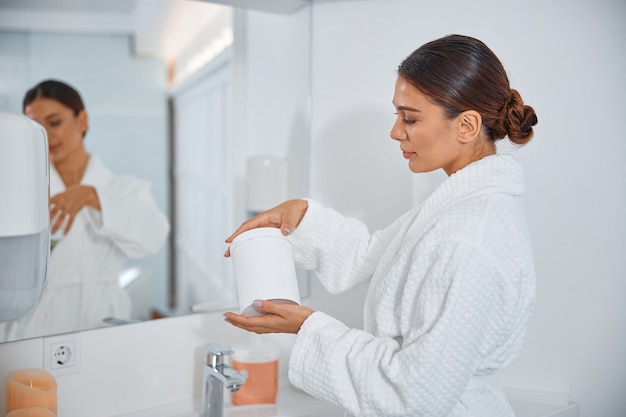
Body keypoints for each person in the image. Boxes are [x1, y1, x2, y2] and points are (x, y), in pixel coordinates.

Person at [223, 34, 538, 417]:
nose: (395, 132)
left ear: (467, 126)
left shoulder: (468, 238)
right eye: (397, 116)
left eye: (410, 118)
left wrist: (308, 328)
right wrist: (299, 216)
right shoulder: (456, 209)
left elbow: (415, 393)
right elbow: (376, 258)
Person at [4, 80, 170, 341]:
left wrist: (93, 196)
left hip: (100, 320)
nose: (46, 134)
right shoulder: (18, 191)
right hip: (36, 324)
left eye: (54, 122)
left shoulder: (123, 189)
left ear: (82, 120)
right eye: (37, 127)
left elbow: (155, 237)